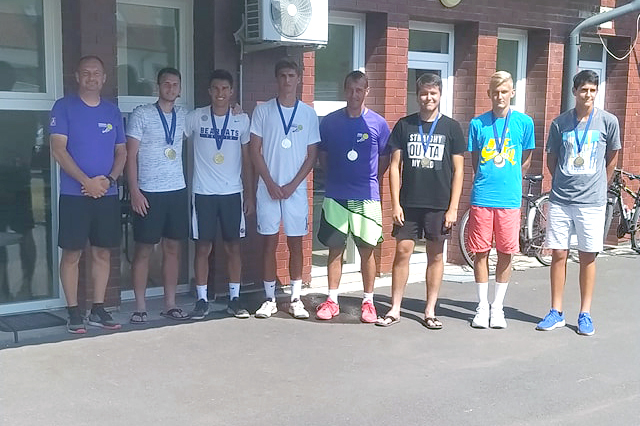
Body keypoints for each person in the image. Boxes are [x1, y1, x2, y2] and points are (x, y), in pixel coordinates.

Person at [376, 73, 465, 328]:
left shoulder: (451, 128)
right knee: (402, 252)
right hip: (409, 203)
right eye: (424, 93)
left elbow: (459, 170)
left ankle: (430, 310)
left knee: (435, 256)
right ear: (417, 96)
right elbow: (395, 167)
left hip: (439, 204)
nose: (428, 98)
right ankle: (395, 308)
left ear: (440, 95)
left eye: (433, 93)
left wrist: (453, 208)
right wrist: (395, 204)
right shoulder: (405, 125)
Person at [537, 70, 620, 336]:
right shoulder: (560, 123)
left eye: (592, 90)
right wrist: (563, 181)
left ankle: (585, 313)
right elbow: (552, 159)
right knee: (559, 254)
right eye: (583, 90)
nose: (588, 95)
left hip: (591, 201)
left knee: (587, 256)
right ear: (574, 91)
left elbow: (612, 156)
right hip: (561, 199)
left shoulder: (608, 121)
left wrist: (601, 183)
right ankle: (556, 311)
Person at [50, 55, 127, 333]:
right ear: (77, 76)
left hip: (106, 193)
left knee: (102, 253)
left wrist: (109, 180)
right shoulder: (63, 107)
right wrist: (86, 182)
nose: (91, 77)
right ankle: (73, 311)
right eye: (86, 72)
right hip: (75, 194)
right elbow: (58, 149)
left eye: (96, 73)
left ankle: (98, 308)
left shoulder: (112, 111)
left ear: (104, 78)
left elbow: (122, 152)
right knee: (72, 254)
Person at [314, 71, 390, 323]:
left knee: (367, 251)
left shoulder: (378, 123)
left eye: (359, 90)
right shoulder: (330, 122)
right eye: (350, 89)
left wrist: (368, 179)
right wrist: (336, 177)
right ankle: (332, 300)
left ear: (367, 91)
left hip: (366, 197)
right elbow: (322, 156)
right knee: (334, 250)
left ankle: (368, 302)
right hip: (336, 195)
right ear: (344, 90)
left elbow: (384, 159)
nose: (354, 95)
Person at [249, 58, 320, 319]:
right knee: (269, 243)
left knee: (296, 244)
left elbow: (312, 155)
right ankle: (269, 299)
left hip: (295, 191)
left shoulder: (308, 114)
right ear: (276, 79)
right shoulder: (263, 111)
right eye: (282, 76)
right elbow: (254, 150)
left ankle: (295, 299)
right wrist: (269, 182)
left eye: (291, 76)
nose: (287, 81)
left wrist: (292, 185)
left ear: (298, 79)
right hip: (268, 188)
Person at [467, 71, 534, 329]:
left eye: (504, 92)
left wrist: (511, 178)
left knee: (506, 252)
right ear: (489, 94)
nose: (500, 96)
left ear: (512, 93)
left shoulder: (524, 123)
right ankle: (482, 307)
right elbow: (475, 162)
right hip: (483, 197)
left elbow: (525, 160)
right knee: (480, 252)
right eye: (495, 92)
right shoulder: (477, 124)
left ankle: (498, 307)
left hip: (509, 200)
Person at [185, 69, 253, 320]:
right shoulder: (196, 117)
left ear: (232, 91)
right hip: (203, 193)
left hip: (232, 193)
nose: (220, 93)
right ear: (209, 91)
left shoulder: (241, 120)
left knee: (234, 247)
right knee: (203, 247)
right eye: (215, 89)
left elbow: (247, 159)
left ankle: (234, 299)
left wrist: (250, 194)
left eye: (225, 89)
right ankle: (202, 300)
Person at [125, 67, 189, 323]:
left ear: (180, 89)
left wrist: (235, 110)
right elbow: (130, 155)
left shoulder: (184, 115)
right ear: (157, 86)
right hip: (148, 192)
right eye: (166, 84)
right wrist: (134, 190)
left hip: (176, 190)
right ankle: (140, 306)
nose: (170, 88)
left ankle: (170, 304)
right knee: (144, 249)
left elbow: (212, 118)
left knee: (172, 249)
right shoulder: (142, 114)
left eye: (175, 84)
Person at [0, 61, 37, 302]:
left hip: (15, 176)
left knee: (22, 234)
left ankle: (11, 290)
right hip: (19, 175)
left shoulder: (21, 109)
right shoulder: (25, 109)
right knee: (24, 233)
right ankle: (23, 287)